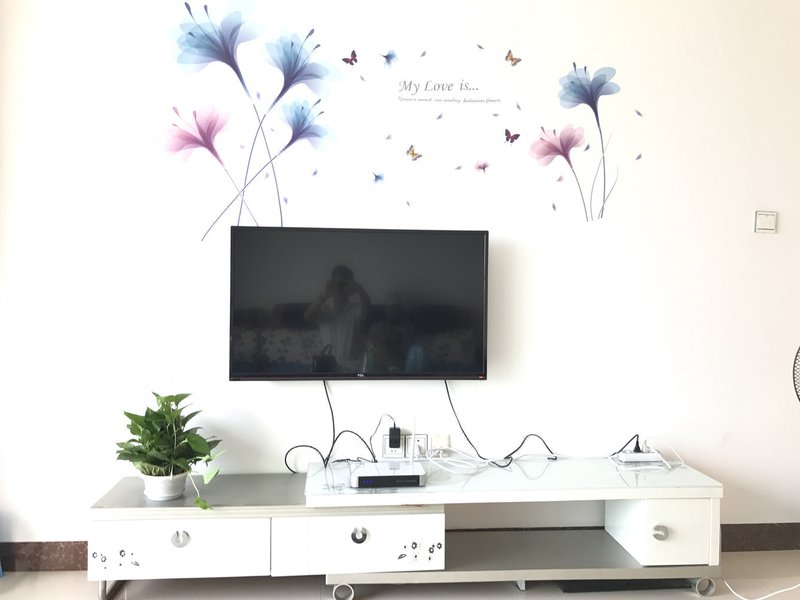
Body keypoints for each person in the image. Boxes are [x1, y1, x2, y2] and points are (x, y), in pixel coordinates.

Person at [304, 265, 371, 371]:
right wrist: (324, 295)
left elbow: (367, 306)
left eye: (344, 284)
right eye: (337, 283)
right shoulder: (323, 309)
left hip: (353, 367)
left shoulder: (356, 309)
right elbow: (307, 315)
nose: (340, 287)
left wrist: (359, 289)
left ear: (351, 285)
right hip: (328, 366)